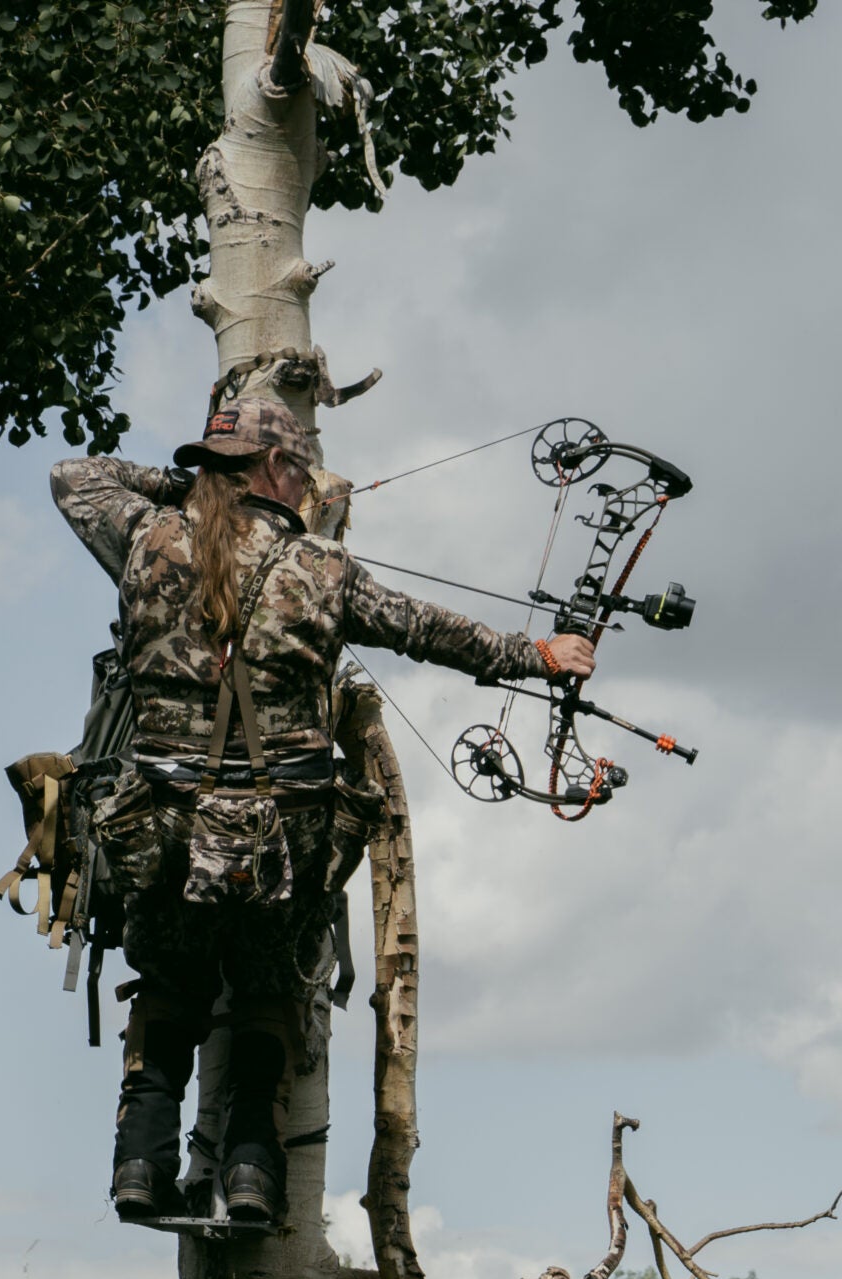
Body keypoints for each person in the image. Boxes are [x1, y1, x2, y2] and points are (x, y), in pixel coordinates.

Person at [50, 396, 593, 1225]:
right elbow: (432, 631)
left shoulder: (146, 536)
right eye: (300, 470)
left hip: (157, 831)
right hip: (282, 846)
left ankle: (139, 1170)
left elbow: (73, 476)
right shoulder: (323, 570)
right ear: (273, 470)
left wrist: (188, 484)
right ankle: (251, 1180)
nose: (308, 487)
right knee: (266, 994)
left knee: (168, 993)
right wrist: (540, 656)